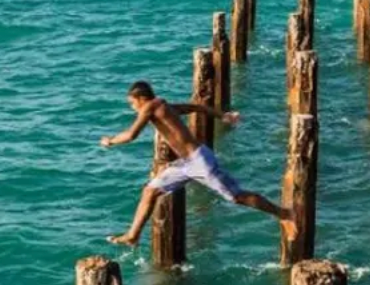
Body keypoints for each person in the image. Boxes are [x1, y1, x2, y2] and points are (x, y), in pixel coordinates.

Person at [99, 80, 291, 246]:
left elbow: (132, 134)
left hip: (200, 162)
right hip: (186, 164)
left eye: (132, 103)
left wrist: (111, 140)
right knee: (150, 191)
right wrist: (223, 116)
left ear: (141, 98)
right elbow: (196, 107)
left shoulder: (150, 106)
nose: (133, 108)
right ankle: (133, 236)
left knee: (237, 197)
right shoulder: (163, 107)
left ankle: (283, 214)